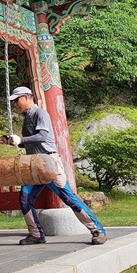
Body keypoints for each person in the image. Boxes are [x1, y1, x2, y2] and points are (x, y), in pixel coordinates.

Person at [7, 86, 107, 246]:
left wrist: (22, 140)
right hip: (34, 166)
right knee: (25, 198)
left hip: (49, 163)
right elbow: (32, 143)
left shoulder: (40, 113)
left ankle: (97, 230)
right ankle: (36, 234)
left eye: (17, 100)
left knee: (69, 198)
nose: (15, 104)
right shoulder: (28, 117)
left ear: (26, 97)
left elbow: (42, 136)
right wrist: (14, 142)